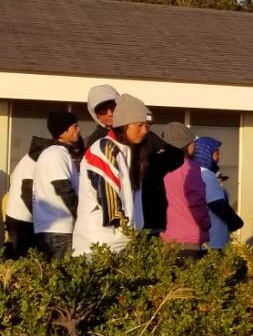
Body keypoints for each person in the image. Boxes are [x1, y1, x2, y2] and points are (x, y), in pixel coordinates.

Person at [74, 94, 152, 254]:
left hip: (122, 244)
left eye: (148, 125)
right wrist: (131, 234)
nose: (144, 131)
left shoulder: (132, 151)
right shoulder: (104, 149)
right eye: (139, 125)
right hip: (98, 245)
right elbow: (111, 207)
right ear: (124, 124)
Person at [6, 117, 63, 259]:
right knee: (26, 258)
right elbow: (27, 194)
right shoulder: (33, 162)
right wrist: (42, 219)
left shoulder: (35, 158)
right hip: (21, 219)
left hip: (24, 218)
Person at [30, 111, 84, 259]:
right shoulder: (56, 154)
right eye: (74, 126)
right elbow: (63, 189)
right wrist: (81, 217)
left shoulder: (56, 153)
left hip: (54, 229)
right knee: (63, 272)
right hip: (58, 230)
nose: (78, 129)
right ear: (63, 132)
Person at [158, 123, 210, 256]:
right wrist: (206, 223)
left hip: (165, 238)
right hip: (189, 239)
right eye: (193, 142)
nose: (195, 146)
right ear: (185, 144)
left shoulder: (157, 165)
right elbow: (196, 200)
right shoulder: (190, 168)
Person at [194, 136, 241, 250]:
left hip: (205, 241)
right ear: (205, 154)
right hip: (214, 241)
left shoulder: (195, 173)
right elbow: (217, 205)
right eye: (216, 153)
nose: (219, 157)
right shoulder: (207, 175)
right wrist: (236, 222)